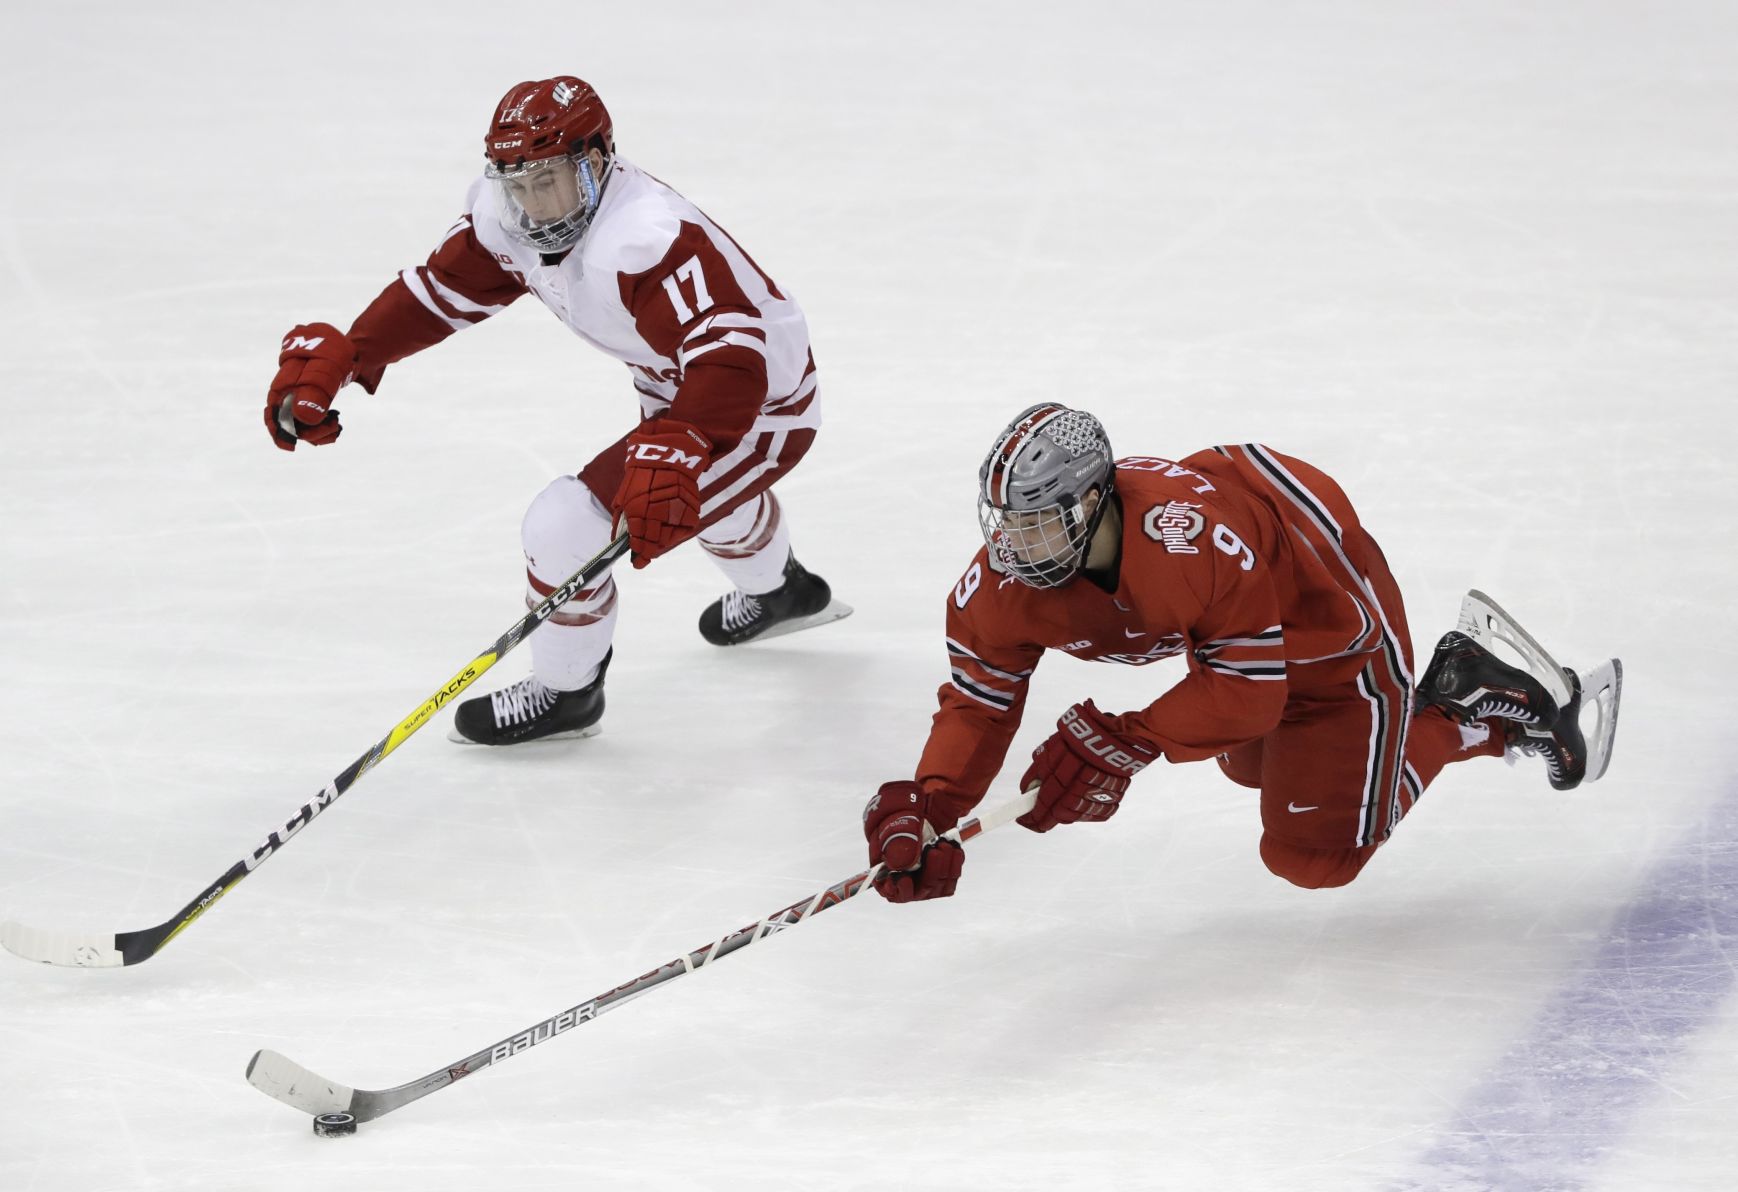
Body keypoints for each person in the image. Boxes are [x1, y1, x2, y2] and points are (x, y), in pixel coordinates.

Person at [263, 76, 849, 746]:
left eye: (549, 182)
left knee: (565, 524)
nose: (533, 206)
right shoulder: (505, 214)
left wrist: (686, 439)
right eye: (518, 185)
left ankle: (567, 691)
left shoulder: (647, 237)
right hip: (674, 382)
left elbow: (732, 354)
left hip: (757, 405)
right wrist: (349, 355)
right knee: (695, 495)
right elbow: (442, 291)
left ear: (597, 160)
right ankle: (784, 593)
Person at [861, 403, 1620, 902]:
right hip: (1242, 612)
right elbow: (979, 701)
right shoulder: (998, 584)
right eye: (1004, 525)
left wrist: (1130, 740)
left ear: (1093, 503)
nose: (1012, 549)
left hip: (1321, 606)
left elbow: (1252, 691)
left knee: (1312, 858)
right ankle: (1390, 731)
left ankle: (1464, 706)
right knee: (1245, 759)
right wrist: (933, 803)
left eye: (1037, 525)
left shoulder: (1183, 548)